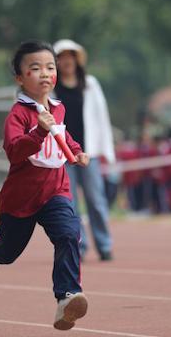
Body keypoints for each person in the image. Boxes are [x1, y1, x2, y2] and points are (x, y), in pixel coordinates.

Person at [0, 40, 90, 331]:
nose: (45, 73)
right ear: (20, 78)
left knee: (69, 233)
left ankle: (66, 298)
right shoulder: (18, 114)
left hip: (56, 191)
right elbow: (14, 150)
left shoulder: (58, 108)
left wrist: (77, 151)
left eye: (49, 67)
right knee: (9, 252)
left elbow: (63, 136)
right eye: (35, 68)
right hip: (21, 200)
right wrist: (39, 130)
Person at [53, 39, 115, 261]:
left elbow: (102, 118)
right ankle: (79, 247)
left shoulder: (90, 84)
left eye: (70, 56)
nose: (66, 61)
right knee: (70, 205)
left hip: (89, 153)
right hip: (62, 155)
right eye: (61, 57)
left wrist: (108, 152)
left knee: (96, 201)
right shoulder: (51, 89)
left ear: (76, 60)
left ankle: (105, 245)